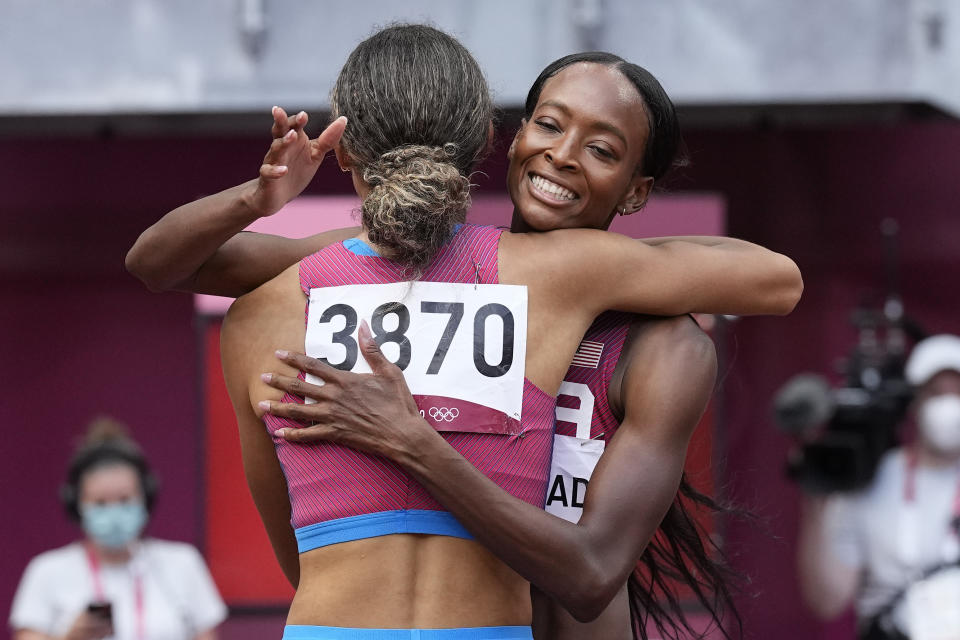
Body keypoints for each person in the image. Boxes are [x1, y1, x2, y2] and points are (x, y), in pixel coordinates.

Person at [129, 25, 801, 639]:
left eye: (600, 149)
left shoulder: (648, 336)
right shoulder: (362, 269)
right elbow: (165, 262)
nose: (564, 156)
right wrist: (606, 265)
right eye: (549, 124)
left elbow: (779, 281)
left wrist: (609, 268)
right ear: (495, 137)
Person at [797, 334, 960, 640]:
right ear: (914, 401)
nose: (949, 406)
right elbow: (828, 601)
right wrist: (815, 507)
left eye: (958, 394)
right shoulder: (872, 477)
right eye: (937, 393)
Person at [9, 418, 227, 640]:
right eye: (100, 503)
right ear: (76, 504)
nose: (113, 513)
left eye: (124, 500)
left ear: (146, 498)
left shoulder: (183, 563)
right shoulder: (46, 571)